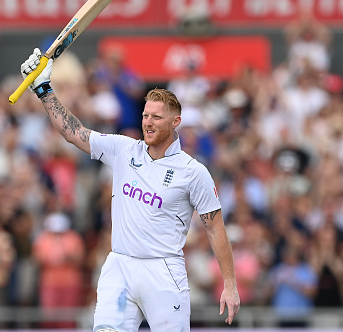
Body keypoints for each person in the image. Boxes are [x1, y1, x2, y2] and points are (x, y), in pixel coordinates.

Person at [19, 49, 240, 331]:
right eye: (146, 116)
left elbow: (215, 228)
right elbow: (73, 132)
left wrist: (230, 285)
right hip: (120, 266)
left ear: (175, 122)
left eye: (156, 118)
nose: (148, 122)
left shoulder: (193, 172)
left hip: (163, 273)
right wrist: (43, 89)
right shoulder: (124, 149)